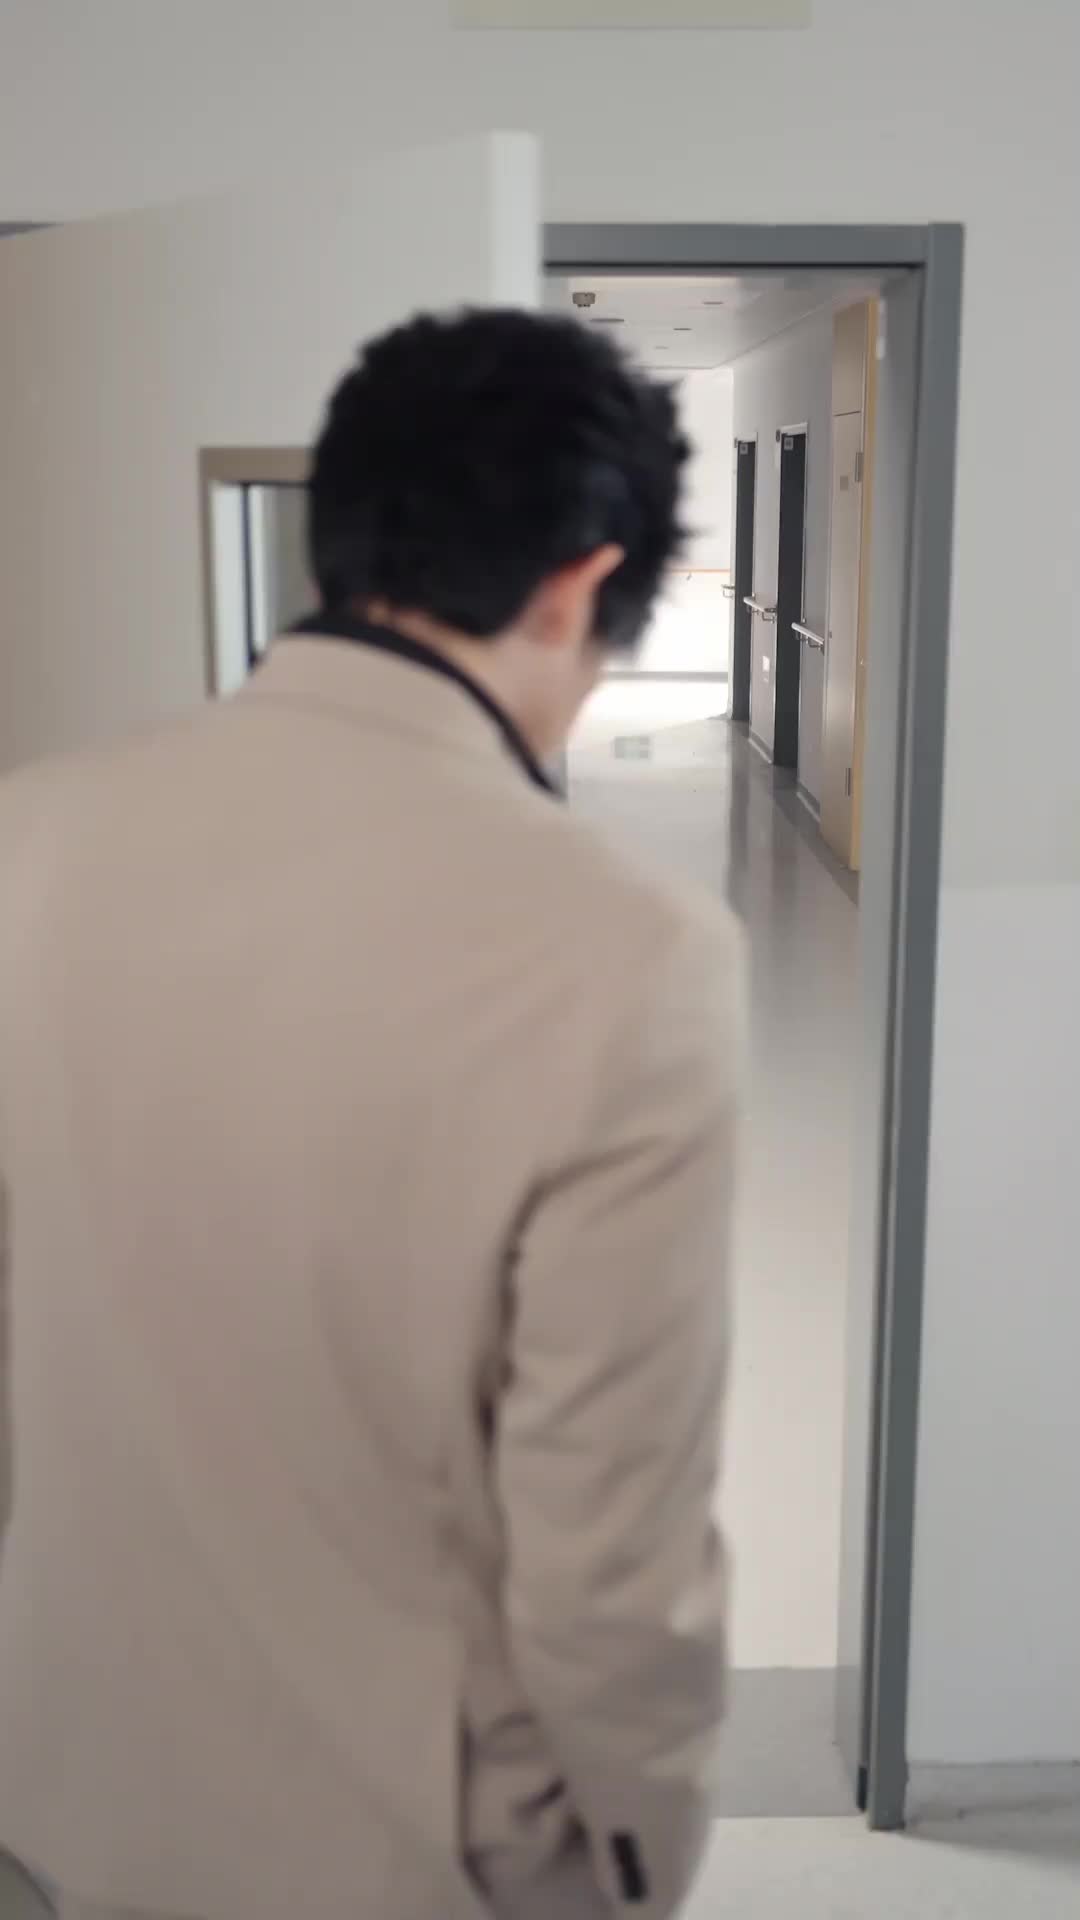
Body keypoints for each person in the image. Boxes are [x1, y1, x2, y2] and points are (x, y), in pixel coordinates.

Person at [0, 310, 745, 1920]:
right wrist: (634, 1856)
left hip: (67, 1802)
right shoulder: (630, 952)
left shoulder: (28, 838)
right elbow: (610, 1558)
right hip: (419, 1849)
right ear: (579, 588)